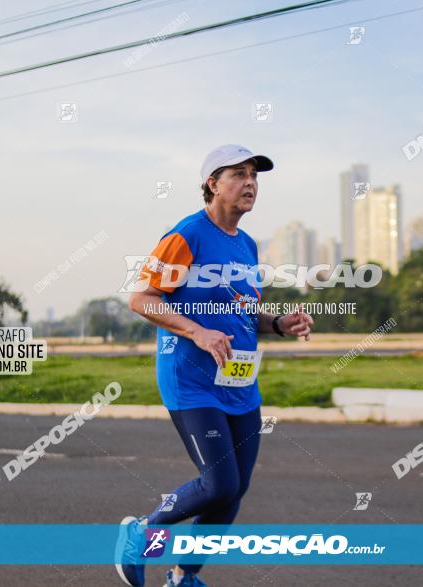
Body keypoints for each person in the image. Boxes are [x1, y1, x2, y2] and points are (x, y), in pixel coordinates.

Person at [115, 145, 314, 587]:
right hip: (191, 380)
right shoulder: (187, 234)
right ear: (212, 184)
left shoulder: (246, 245)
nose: (250, 183)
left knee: (235, 490)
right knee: (220, 483)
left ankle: (183, 575)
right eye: (239, 174)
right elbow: (142, 298)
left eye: (255, 177)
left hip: (240, 381)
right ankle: (142, 534)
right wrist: (197, 332)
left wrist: (278, 323)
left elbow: (243, 312)